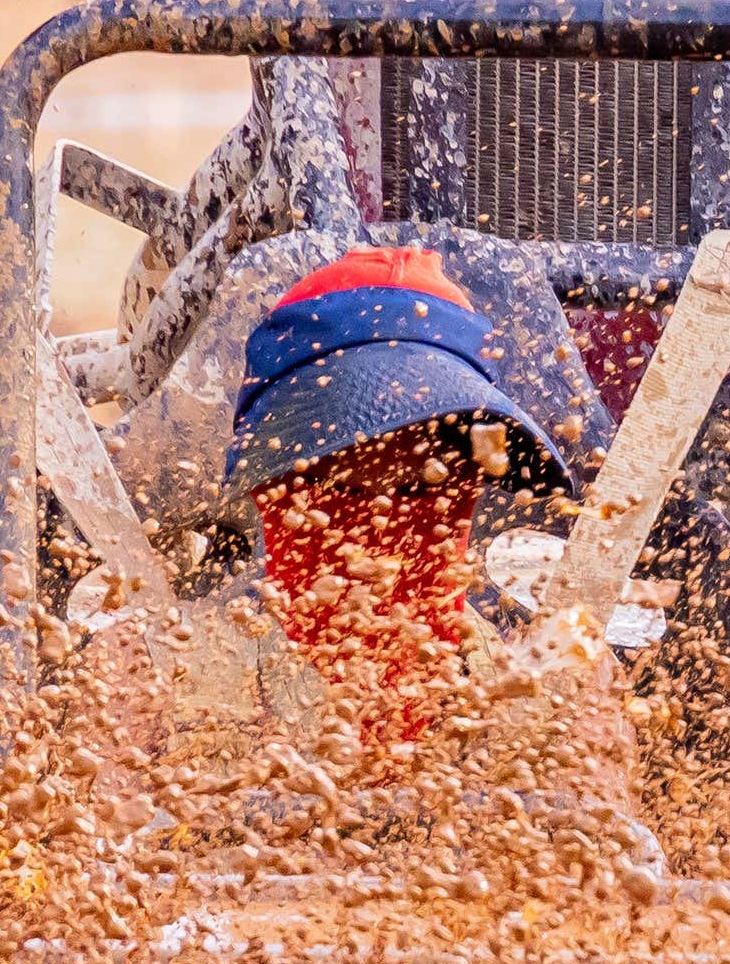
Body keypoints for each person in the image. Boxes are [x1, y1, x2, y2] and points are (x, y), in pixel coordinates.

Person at [215, 246, 564, 749]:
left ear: (473, 482)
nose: (380, 527)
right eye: (340, 480)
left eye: (423, 481)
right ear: (267, 488)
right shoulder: (161, 676)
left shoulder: (547, 685)